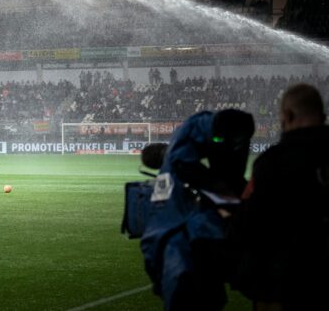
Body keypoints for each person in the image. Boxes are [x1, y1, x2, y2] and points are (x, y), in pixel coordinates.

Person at [140, 109, 254, 311]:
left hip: (182, 269)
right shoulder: (185, 172)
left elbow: (153, 238)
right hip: (186, 270)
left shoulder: (172, 181)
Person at [228, 83, 329, 310]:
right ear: (323, 116)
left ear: (288, 115)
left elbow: (247, 224)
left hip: (285, 284)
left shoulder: (271, 162)